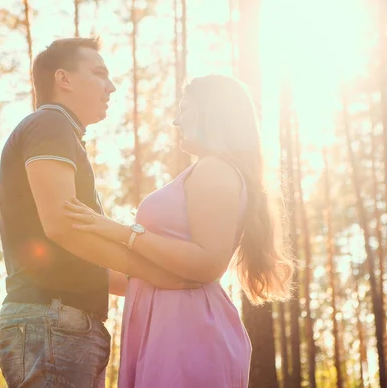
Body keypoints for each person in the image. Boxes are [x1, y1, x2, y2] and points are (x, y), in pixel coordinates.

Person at [65, 74, 294, 387]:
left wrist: (120, 232)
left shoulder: (215, 169)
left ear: (210, 113)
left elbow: (208, 264)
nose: (176, 121)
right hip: (170, 326)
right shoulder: (204, 170)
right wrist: (63, 272)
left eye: (185, 110)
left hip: (189, 333)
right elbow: (151, 272)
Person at [0, 37, 196, 388]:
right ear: (64, 79)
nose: (112, 86)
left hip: (62, 323)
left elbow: (79, 261)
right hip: (53, 321)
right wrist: (153, 271)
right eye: (100, 73)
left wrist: (168, 279)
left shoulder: (61, 133)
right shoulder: (51, 125)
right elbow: (61, 227)